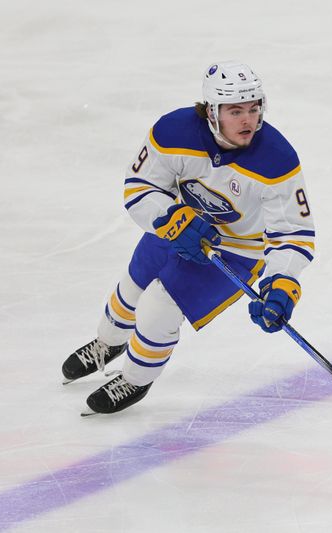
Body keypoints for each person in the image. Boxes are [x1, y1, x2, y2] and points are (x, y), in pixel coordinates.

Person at [61, 61, 316, 415]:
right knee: (131, 289)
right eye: (236, 111)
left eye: (254, 108)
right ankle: (108, 343)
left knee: (157, 308)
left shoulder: (277, 159)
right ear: (211, 112)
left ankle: (134, 379)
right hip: (178, 225)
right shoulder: (173, 132)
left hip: (235, 252)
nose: (248, 120)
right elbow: (141, 186)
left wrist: (282, 281)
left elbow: (294, 232)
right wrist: (167, 216)